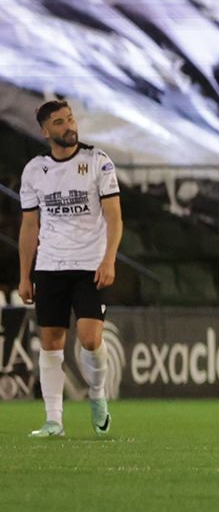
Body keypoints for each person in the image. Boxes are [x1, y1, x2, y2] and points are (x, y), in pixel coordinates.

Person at [17, 100, 122, 438]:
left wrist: (109, 259)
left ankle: (97, 393)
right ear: (45, 131)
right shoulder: (35, 170)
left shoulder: (97, 162)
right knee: (51, 342)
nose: (68, 126)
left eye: (70, 118)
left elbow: (115, 218)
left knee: (91, 340)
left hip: (90, 264)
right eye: (59, 122)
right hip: (50, 266)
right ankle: (53, 421)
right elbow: (29, 226)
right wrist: (24, 275)